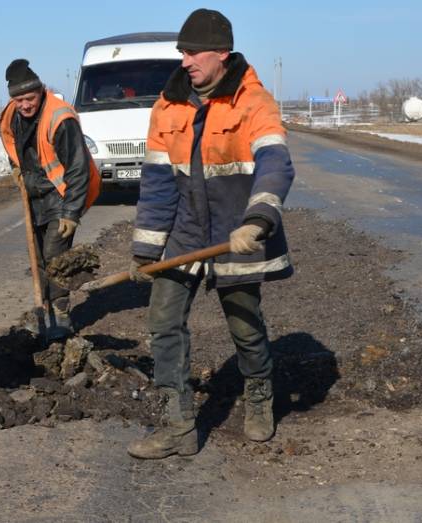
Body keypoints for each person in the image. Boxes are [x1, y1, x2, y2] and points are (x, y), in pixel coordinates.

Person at [127, 9, 295, 459]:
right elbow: (158, 181)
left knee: (244, 324)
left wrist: (257, 221)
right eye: (182, 52)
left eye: (193, 52)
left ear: (222, 53)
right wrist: (146, 250)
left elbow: (276, 164)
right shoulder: (168, 104)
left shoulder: (253, 102)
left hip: (235, 231)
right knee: (163, 322)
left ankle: (259, 393)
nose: (185, 61)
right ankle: (177, 426)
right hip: (184, 232)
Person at [0, 59, 101, 339]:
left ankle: (62, 316)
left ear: (42, 90)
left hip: (61, 194)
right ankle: (43, 310)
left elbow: (78, 169)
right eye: (19, 100)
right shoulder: (11, 114)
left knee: (56, 258)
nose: (25, 105)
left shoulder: (60, 118)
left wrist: (71, 213)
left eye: (29, 98)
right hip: (34, 196)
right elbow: (9, 140)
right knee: (40, 259)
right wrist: (16, 167)